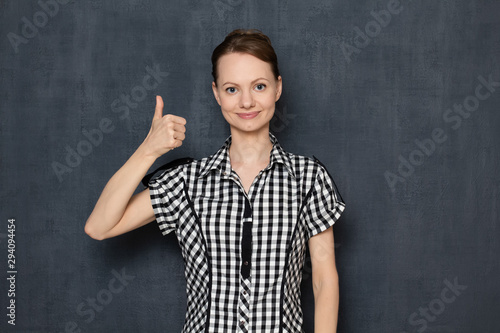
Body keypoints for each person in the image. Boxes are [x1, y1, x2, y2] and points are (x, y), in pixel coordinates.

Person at [85, 29, 345, 333]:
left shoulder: (309, 178)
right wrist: (148, 150)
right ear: (216, 93)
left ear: (277, 87)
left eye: (259, 86)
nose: (246, 102)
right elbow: (99, 226)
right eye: (232, 89)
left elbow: (324, 281)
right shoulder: (186, 182)